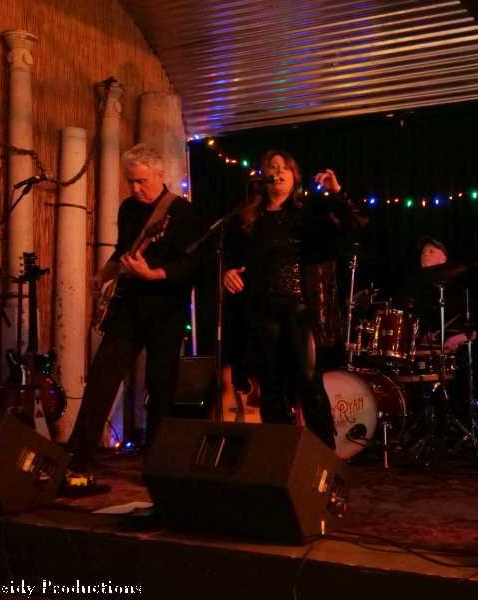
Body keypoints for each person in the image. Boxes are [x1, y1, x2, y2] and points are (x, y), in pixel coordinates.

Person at [68, 144, 200, 471]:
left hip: (166, 308)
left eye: (141, 181)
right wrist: (103, 275)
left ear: (160, 174)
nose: (135, 188)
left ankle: (157, 462)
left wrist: (154, 274)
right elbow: (122, 251)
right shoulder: (128, 208)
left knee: (160, 384)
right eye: (131, 181)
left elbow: (191, 264)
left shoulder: (182, 212)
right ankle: (77, 458)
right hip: (129, 306)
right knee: (102, 377)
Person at [222, 150, 359, 449]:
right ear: (265, 176)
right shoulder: (248, 219)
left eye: (285, 168)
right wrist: (228, 272)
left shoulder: (309, 214)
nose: (279, 172)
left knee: (308, 382)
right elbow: (231, 259)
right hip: (262, 311)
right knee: (270, 387)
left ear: (294, 176)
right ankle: (280, 455)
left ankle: (324, 454)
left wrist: (337, 192)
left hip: (300, 310)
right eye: (274, 167)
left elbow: (354, 225)